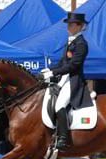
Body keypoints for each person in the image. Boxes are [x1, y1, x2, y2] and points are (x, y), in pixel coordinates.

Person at [40, 12, 92, 150]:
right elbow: (63, 62)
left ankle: (63, 139)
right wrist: (49, 70)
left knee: (59, 105)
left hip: (74, 80)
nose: (68, 27)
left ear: (80, 26)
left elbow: (73, 65)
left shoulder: (81, 44)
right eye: (68, 24)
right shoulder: (70, 42)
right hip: (64, 78)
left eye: (71, 24)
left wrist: (54, 72)